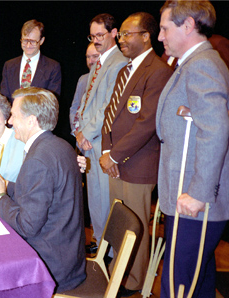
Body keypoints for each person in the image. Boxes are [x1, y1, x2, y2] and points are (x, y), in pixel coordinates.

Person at [156, 1, 229, 297]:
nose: (160, 36)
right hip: (185, 195)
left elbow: (215, 130)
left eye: (164, 28)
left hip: (193, 199)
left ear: (187, 25)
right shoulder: (191, 63)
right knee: (197, 281)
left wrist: (199, 193)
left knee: (177, 283)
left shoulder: (201, 65)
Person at [0, 87, 86, 292]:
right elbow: (44, 191)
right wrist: (6, 186)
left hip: (49, 268)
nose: (10, 121)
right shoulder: (60, 145)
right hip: (67, 256)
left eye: (13, 115)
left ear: (31, 120)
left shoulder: (38, 158)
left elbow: (26, 226)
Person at [99, 12, 173, 296]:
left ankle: (133, 283)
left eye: (128, 34)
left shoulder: (158, 71)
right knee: (120, 224)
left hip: (136, 165)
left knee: (136, 228)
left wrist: (114, 156)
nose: (121, 39)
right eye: (121, 34)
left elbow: (146, 124)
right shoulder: (124, 70)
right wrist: (107, 152)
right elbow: (111, 114)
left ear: (146, 36)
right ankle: (119, 271)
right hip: (114, 162)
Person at [73, 13, 128, 251]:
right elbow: (85, 101)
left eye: (100, 35)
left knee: (104, 198)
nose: (95, 40)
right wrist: (78, 132)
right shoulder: (99, 62)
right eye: (92, 35)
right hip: (87, 141)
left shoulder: (119, 62)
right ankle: (99, 243)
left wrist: (87, 133)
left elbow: (109, 105)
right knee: (94, 200)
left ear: (114, 33)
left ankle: (111, 251)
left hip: (100, 141)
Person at [0, 19, 61, 102]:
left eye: (32, 41)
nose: (28, 45)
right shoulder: (9, 66)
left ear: (41, 41)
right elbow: (4, 99)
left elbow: (51, 102)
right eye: (25, 40)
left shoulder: (53, 67)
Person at [69, 43, 100, 132]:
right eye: (88, 57)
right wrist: (76, 132)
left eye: (95, 56)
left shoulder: (110, 78)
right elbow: (74, 108)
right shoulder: (83, 79)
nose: (90, 61)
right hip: (79, 137)